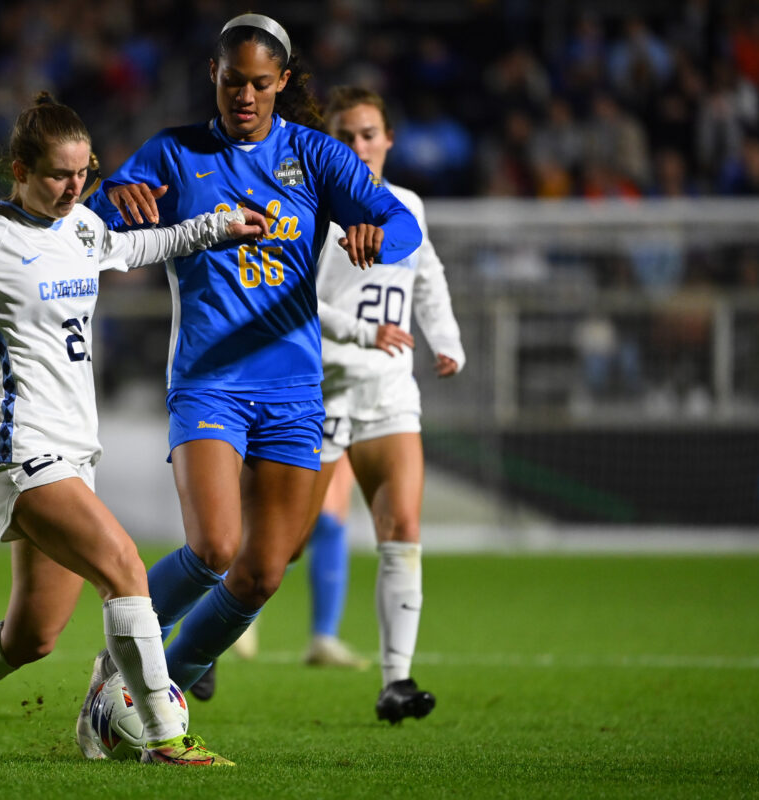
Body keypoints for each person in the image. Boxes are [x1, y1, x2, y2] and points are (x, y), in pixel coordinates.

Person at [0, 92, 271, 766]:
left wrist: (216, 227)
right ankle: (167, 738)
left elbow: (134, 245)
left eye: (85, 173)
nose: (75, 188)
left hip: (73, 450)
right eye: (58, 175)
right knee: (127, 569)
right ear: (21, 169)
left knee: (32, 638)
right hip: (20, 446)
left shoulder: (77, 225)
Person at [78, 13, 422, 714]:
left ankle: (146, 689)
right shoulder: (174, 155)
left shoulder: (318, 157)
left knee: (262, 572)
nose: (245, 96)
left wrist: (373, 232)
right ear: (214, 75)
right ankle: (121, 669)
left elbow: (405, 225)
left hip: (295, 390)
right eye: (233, 81)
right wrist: (111, 197)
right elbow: (89, 225)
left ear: (282, 83)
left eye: (261, 84)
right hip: (209, 381)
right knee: (213, 546)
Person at [304, 85, 465, 723]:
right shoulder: (311, 213)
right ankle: (195, 653)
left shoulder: (407, 208)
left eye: (368, 133)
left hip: (390, 394)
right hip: (319, 393)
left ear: (389, 139)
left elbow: (427, 277)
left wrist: (446, 341)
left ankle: (396, 680)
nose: (358, 146)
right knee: (278, 548)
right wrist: (362, 335)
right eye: (344, 135)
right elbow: (291, 306)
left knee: (401, 530)